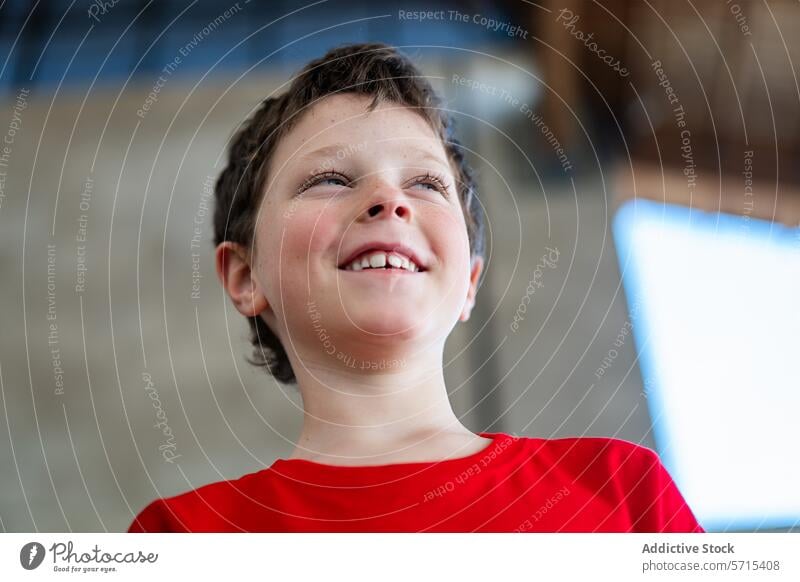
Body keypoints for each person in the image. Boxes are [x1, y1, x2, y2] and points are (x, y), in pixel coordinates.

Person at [128, 43, 703, 533]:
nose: (390, 200)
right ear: (247, 276)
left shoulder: (624, 492)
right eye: (329, 179)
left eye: (427, 182)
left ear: (470, 281)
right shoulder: (181, 535)